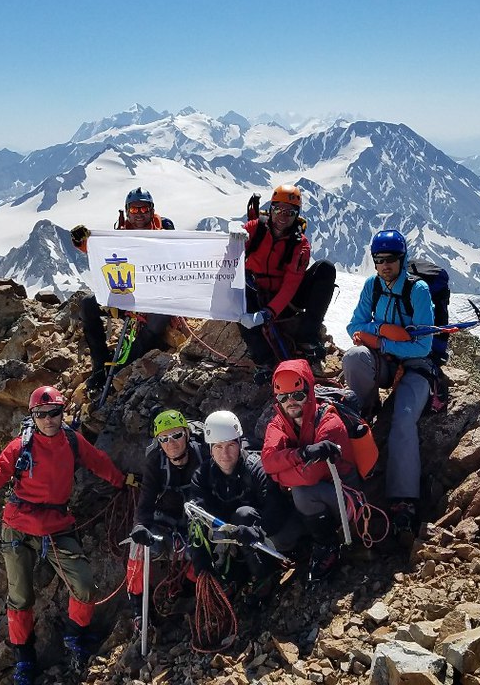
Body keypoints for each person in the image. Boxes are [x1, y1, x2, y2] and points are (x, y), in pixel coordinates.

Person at [0, 385, 127, 684]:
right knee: (20, 598)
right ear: (33, 416)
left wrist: (124, 481)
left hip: (57, 525)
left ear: (62, 412)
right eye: (41, 414)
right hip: (17, 527)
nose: (48, 419)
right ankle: (25, 660)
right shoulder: (19, 447)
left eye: (54, 413)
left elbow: (99, 462)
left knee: (84, 587)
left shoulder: (72, 441)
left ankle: (74, 638)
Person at [342, 229, 434, 536]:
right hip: (387, 360)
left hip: (416, 367)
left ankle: (403, 499)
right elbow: (354, 326)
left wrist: (380, 342)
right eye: (379, 260)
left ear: (402, 259)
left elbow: (423, 347)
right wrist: (383, 330)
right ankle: (367, 409)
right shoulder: (373, 286)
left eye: (390, 260)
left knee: (403, 419)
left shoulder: (417, 291)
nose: (384, 266)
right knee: (355, 357)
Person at [259, 359, 357, 582]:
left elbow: (310, 475)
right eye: (283, 397)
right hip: (314, 496)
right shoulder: (279, 423)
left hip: (345, 496)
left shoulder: (329, 422)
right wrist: (299, 455)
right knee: (282, 538)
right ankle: (310, 541)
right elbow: (267, 462)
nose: (290, 402)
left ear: (309, 392)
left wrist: (279, 474)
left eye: (297, 395)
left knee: (302, 492)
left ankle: (328, 546)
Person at [229, 184, 337, 383]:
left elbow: (291, 284)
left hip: (286, 298)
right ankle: (265, 361)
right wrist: (235, 237)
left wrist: (269, 312)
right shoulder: (255, 228)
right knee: (240, 303)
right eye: (278, 210)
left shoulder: (300, 244)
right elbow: (231, 252)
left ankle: (307, 335)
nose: (283, 216)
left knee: (325, 269)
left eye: (290, 212)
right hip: (254, 289)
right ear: (271, 209)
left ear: (297, 215)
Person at [186, 411, 296, 604]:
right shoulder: (202, 476)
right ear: (210, 449)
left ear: (239, 443)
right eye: (218, 447)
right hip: (236, 539)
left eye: (230, 446)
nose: (225, 454)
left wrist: (257, 530)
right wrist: (201, 563)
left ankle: (263, 576)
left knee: (242, 514)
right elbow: (197, 518)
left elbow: (277, 506)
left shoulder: (257, 467)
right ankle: (233, 577)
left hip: (270, 534)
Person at [71, 187, 175, 390]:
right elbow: (97, 250)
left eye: (143, 209)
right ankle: (100, 365)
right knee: (88, 305)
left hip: (155, 296)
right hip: (126, 295)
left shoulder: (165, 231)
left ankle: (125, 366)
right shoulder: (119, 234)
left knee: (159, 318)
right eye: (134, 210)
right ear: (127, 211)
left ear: (152, 210)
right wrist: (81, 242)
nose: (139, 214)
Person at [125, 409, 206, 623]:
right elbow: (146, 500)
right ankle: (138, 606)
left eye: (177, 435)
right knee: (138, 546)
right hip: (164, 521)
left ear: (187, 434)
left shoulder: (202, 455)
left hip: (194, 520)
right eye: (164, 438)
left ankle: (198, 595)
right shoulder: (155, 462)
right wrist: (140, 526)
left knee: (200, 551)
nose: (171, 443)